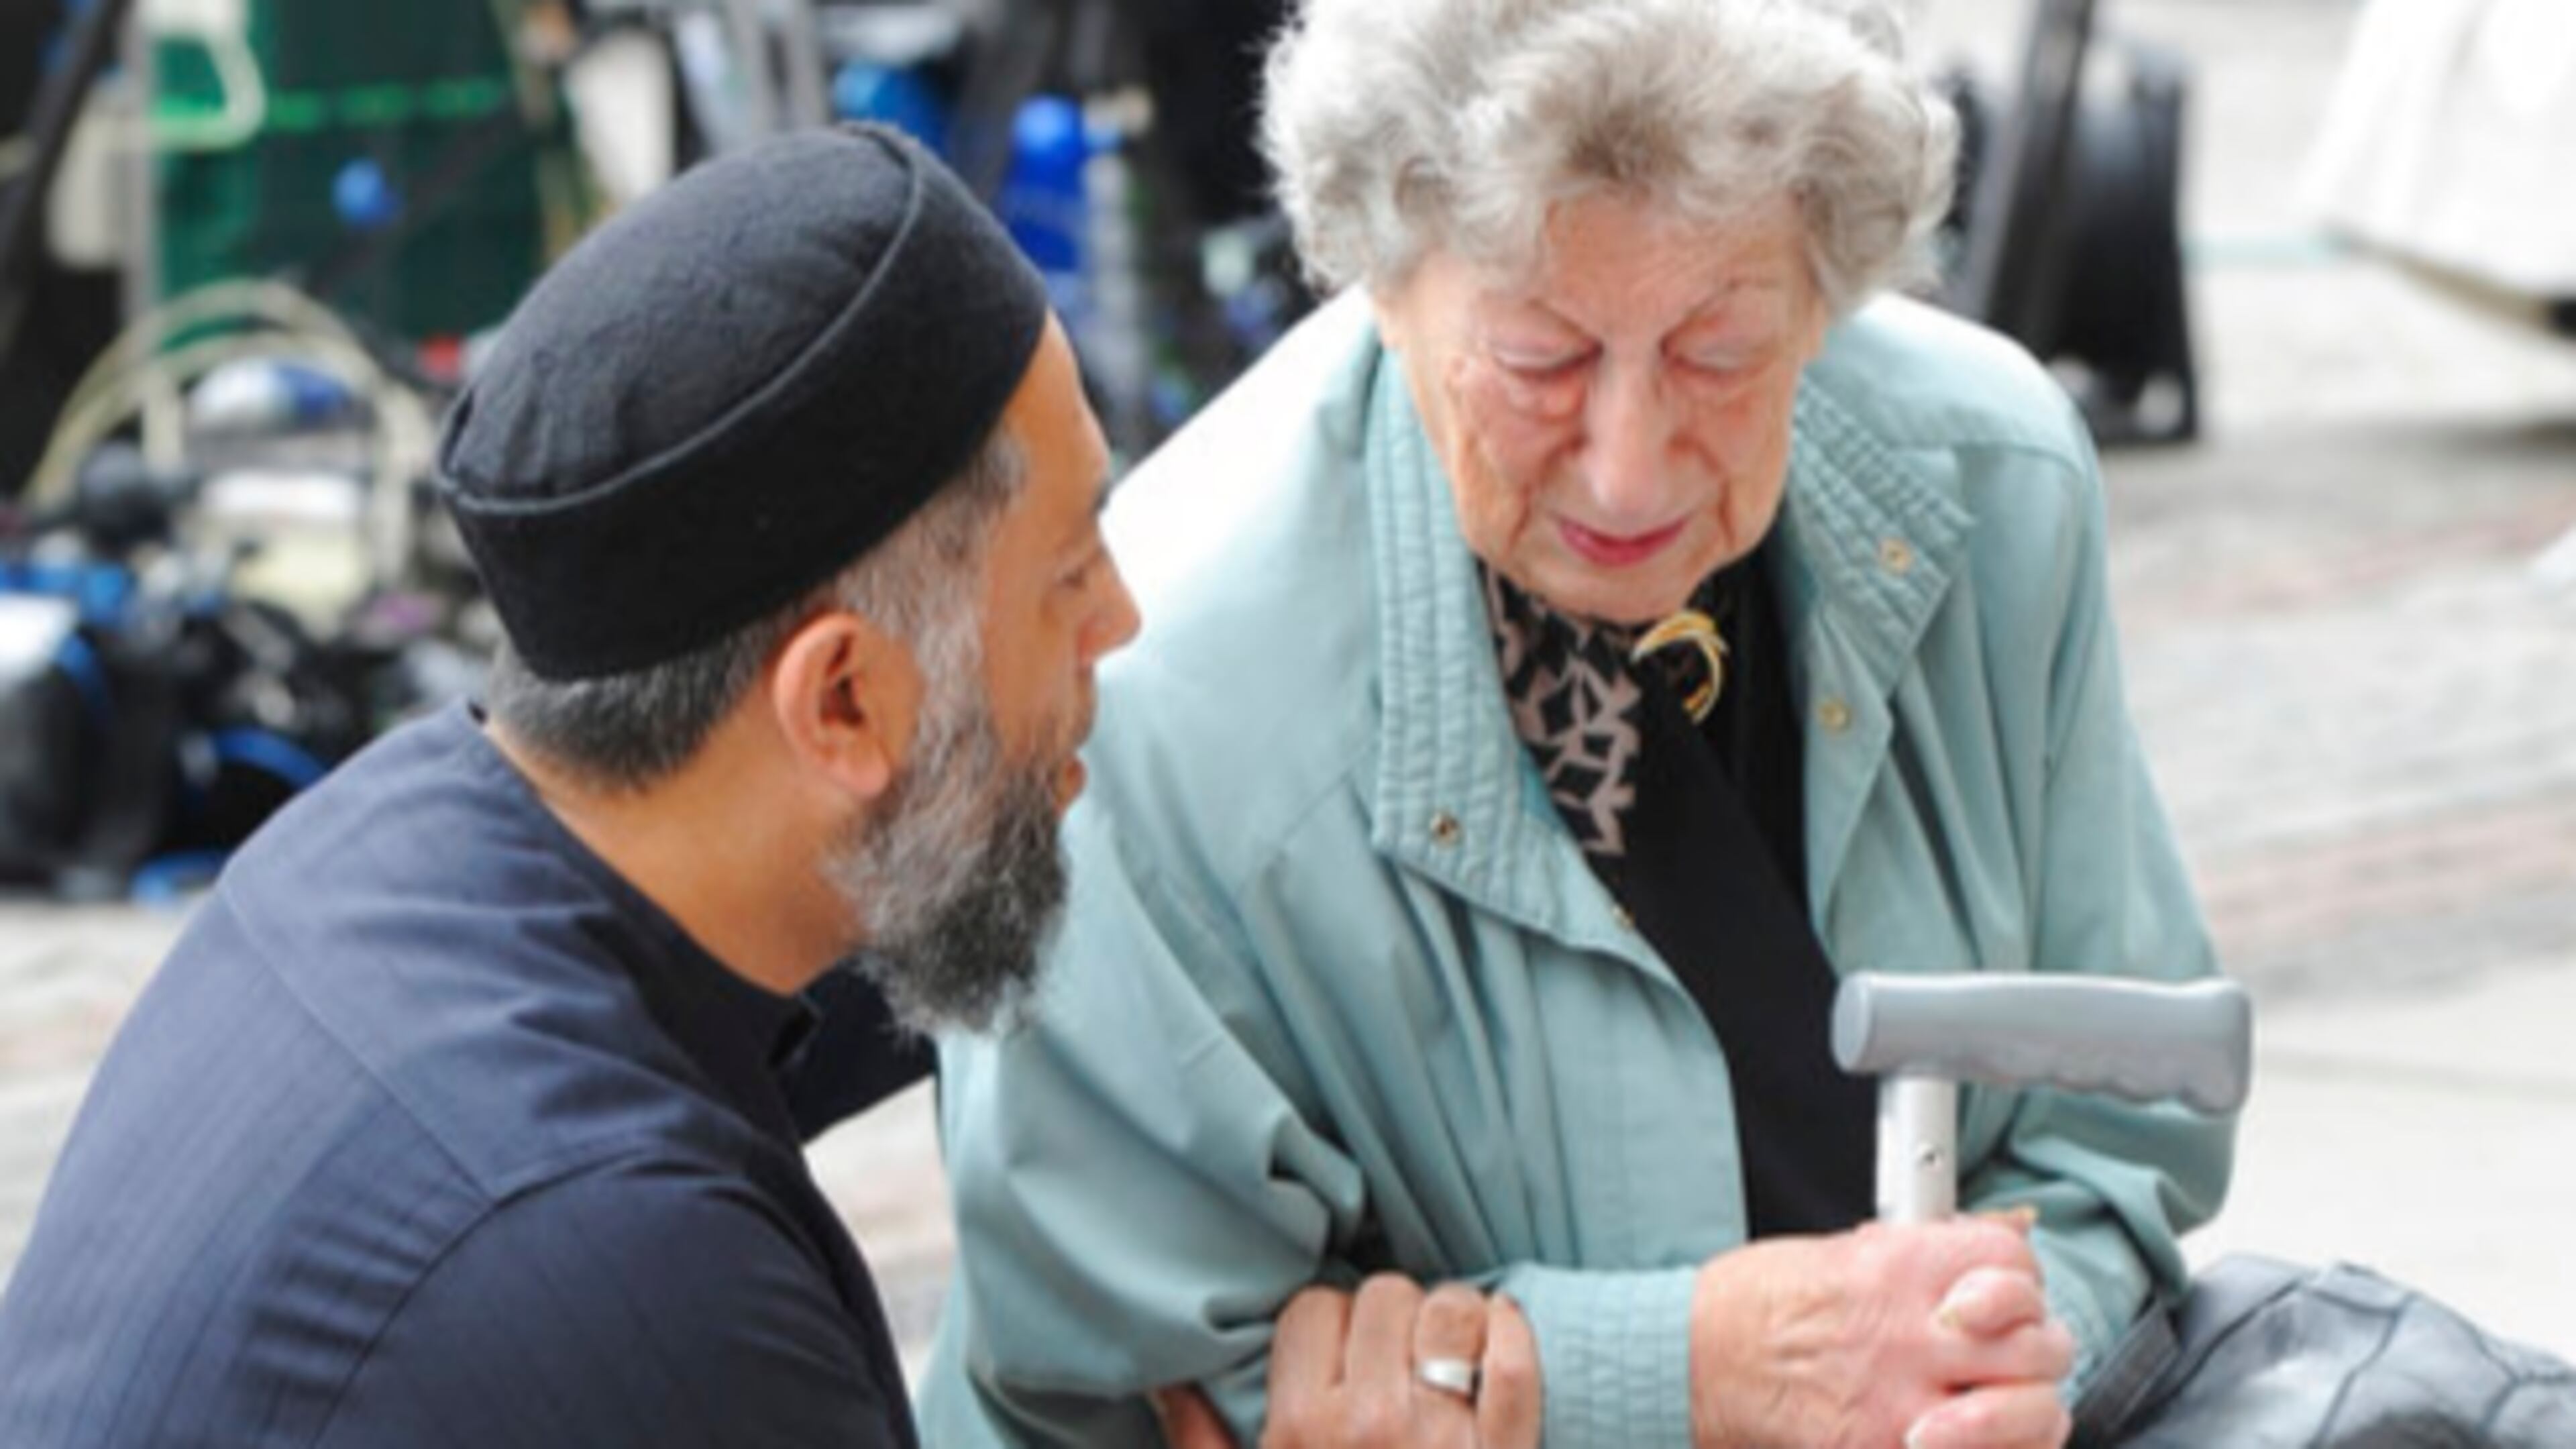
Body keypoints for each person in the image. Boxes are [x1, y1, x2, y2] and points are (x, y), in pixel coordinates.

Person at [0, 123, 1535, 1448]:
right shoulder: (636, 1278)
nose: (1123, 623)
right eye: (1069, 574)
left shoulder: (391, 841)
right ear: (845, 698)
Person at [920, 2, 2237, 1446]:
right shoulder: (1145, 691)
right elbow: (1124, 1378)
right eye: (1541, 361)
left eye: (1721, 352)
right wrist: (1690, 1376)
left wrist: (1987, 1356)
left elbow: (2121, 1132)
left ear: (1827, 287)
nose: (1628, 471)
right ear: (1378, 270)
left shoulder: (1999, 484)